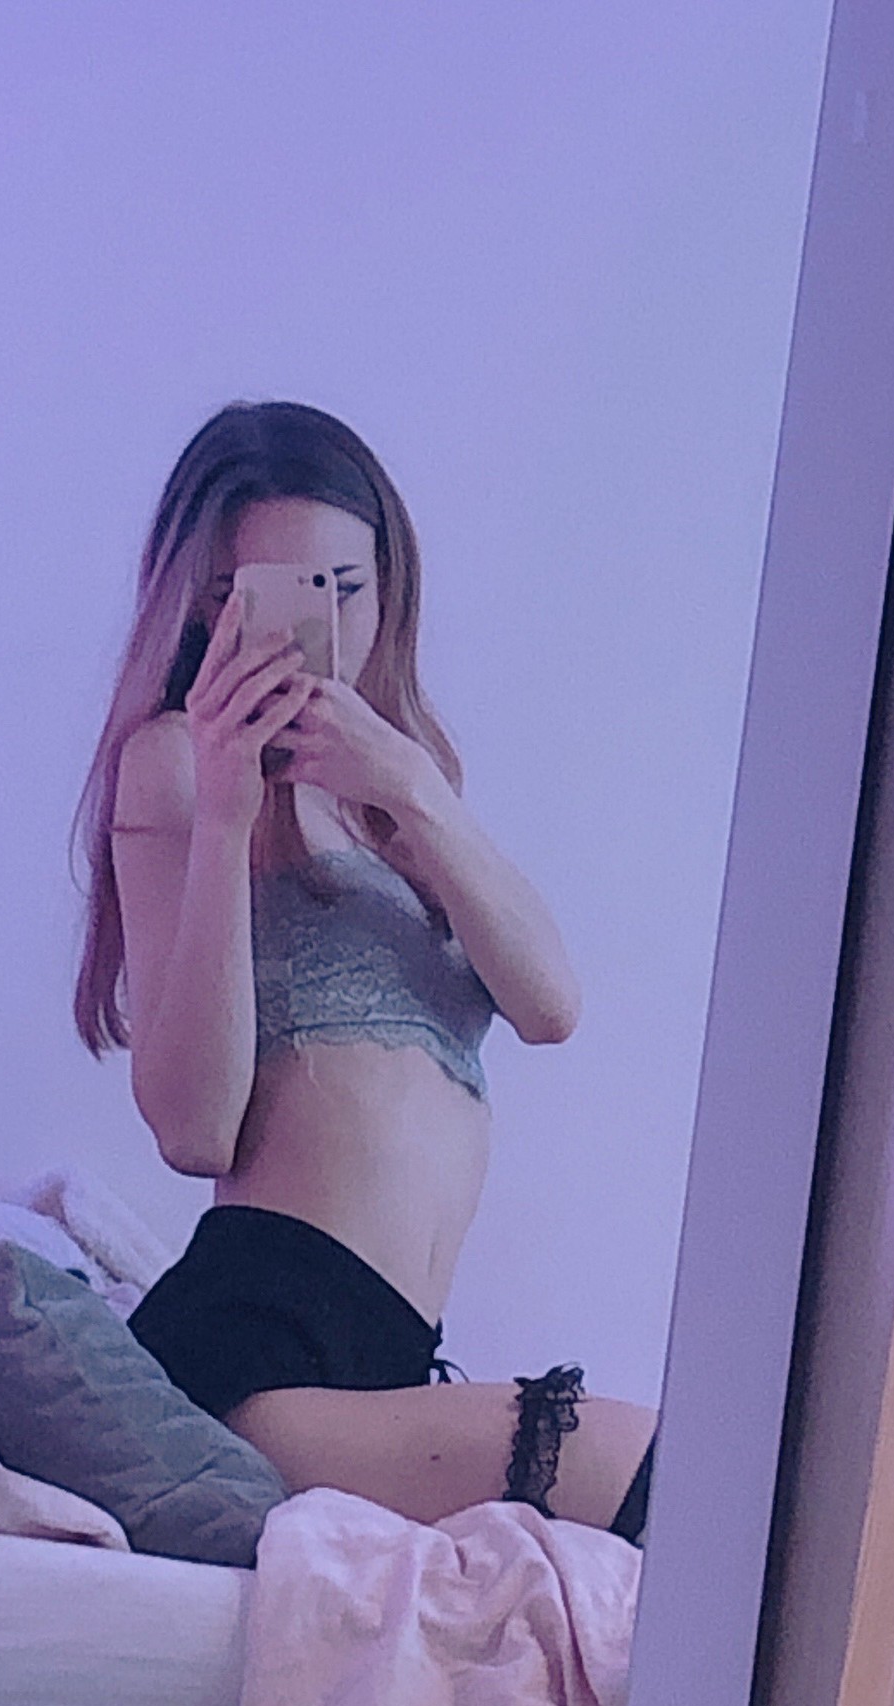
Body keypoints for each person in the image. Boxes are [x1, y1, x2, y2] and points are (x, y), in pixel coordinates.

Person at [71, 400, 655, 1544]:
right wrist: (230, 809)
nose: (323, 627)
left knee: (701, 1503)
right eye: (271, 594)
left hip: (384, 1353)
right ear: (207, 601)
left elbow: (551, 1006)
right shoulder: (174, 765)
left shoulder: (399, 788)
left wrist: (413, 789)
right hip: (255, 1345)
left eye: (348, 586)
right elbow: (192, 1131)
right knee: (676, 1479)